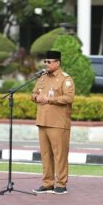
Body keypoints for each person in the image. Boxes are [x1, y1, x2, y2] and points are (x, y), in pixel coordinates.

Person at [31, 51, 75, 194]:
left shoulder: (65, 79)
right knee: (45, 155)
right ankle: (47, 183)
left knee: (59, 155)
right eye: (45, 62)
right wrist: (37, 98)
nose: (46, 64)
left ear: (57, 63)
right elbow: (34, 94)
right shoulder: (42, 78)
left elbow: (68, 98)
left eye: (49, 62)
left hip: (58, 123)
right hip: (43, 121)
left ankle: (61, 184)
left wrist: (49, 100)